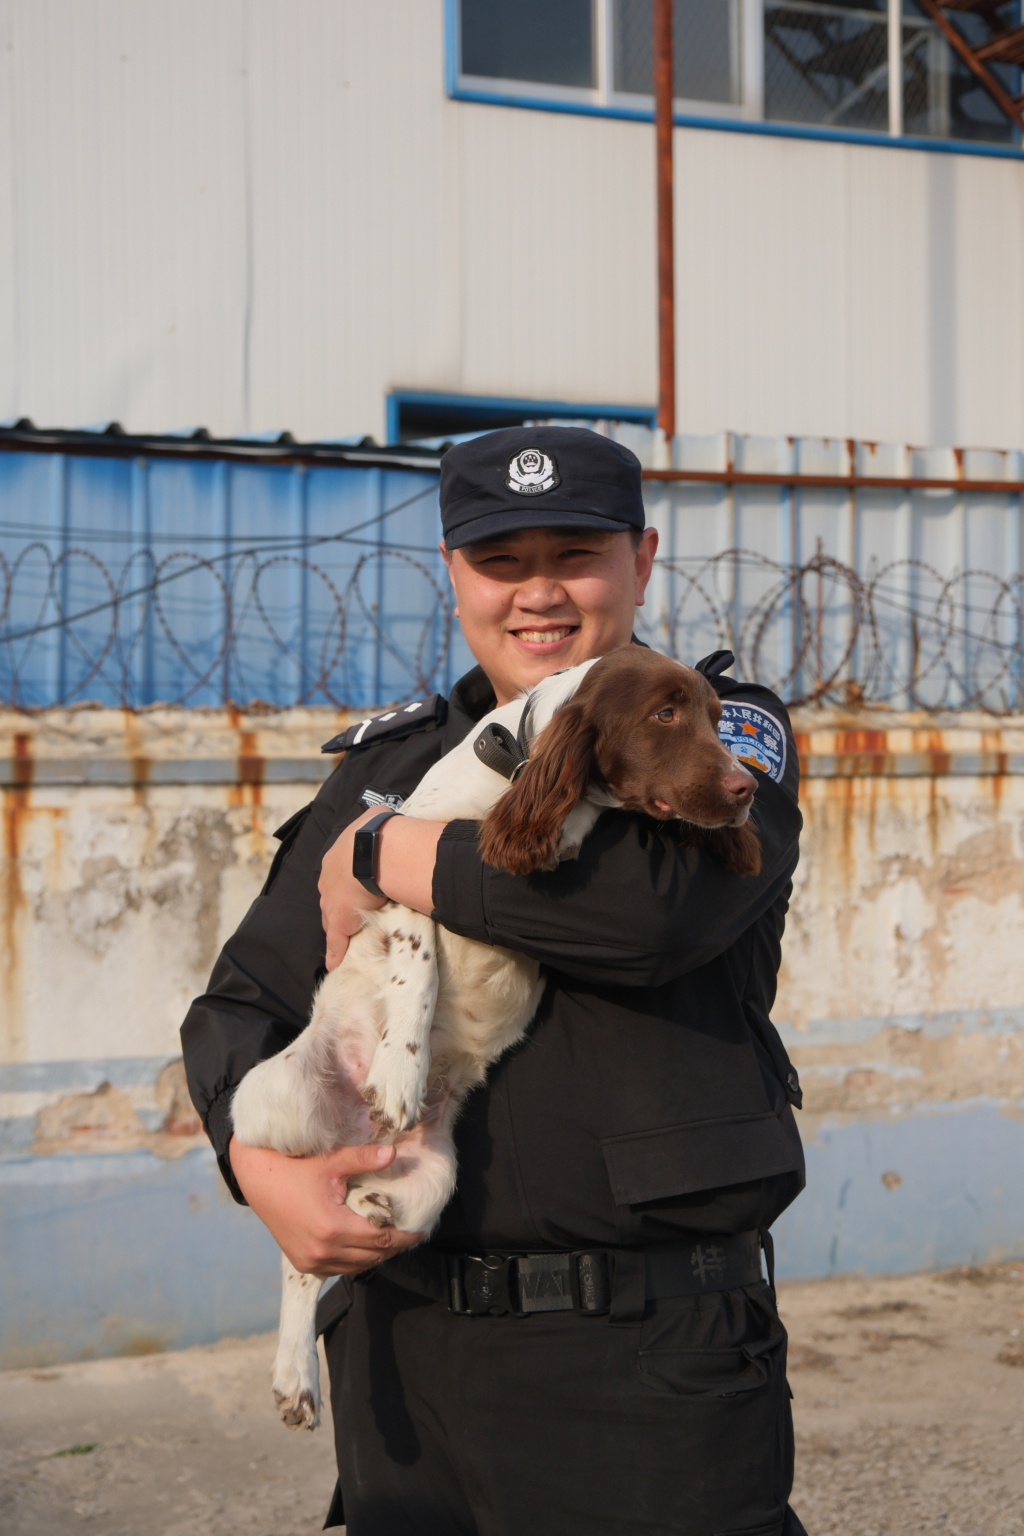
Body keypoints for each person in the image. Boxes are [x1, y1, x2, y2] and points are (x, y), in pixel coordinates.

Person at [182, 425, 808, 1536]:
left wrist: (387, 854)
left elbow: (652, 914)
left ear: (641, 561)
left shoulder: (710, 734)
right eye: (499, 561)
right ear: (453, 574)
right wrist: (258, 1168)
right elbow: (245, 1006)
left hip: (650, 1368)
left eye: (574, 554)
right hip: (404, 1364)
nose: (539, 595)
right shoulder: (386, 767)